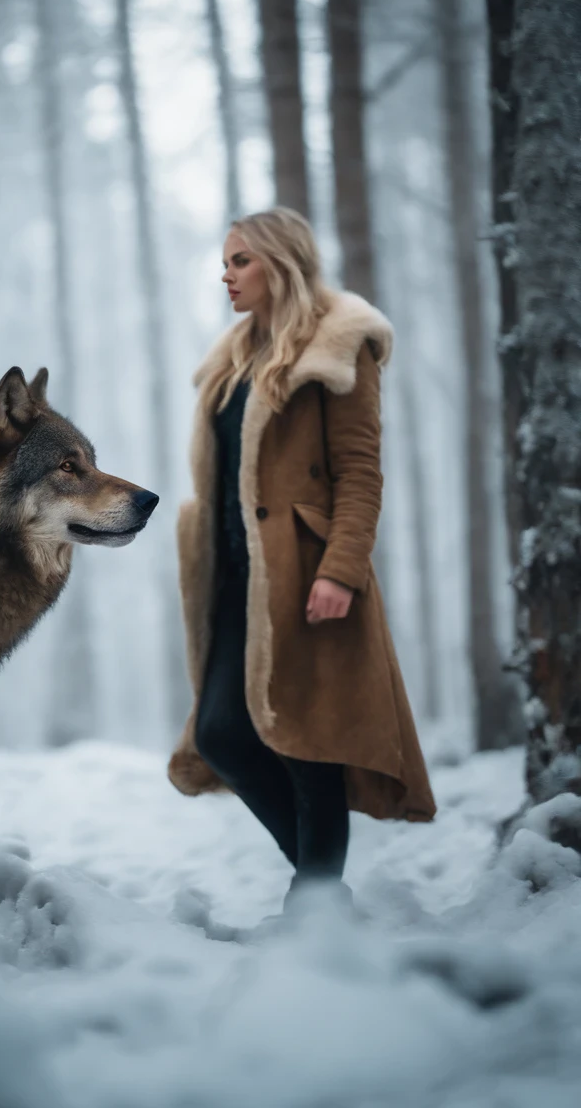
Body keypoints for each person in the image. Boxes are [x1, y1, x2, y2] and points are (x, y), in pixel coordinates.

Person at [168, 207, 436, 904]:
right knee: (223, 732)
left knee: (309, 740)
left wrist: (341, 571)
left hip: (304, 569)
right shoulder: (231, 358)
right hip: (235, 576)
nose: (225, 274)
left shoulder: (338, 346)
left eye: (239, 261)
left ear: (279, 263)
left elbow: (359, 472)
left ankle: (315, 904)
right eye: (225, 261)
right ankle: (321, 893)